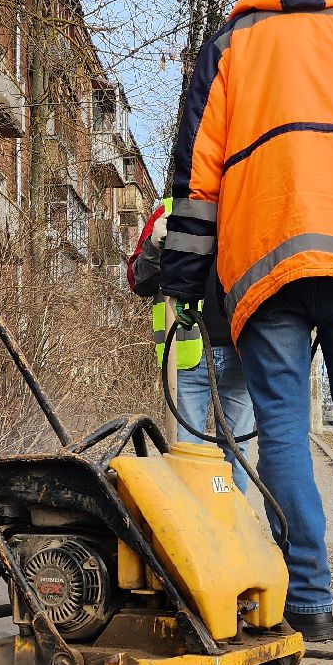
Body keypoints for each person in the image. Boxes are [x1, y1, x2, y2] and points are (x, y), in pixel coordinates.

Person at [159, 0, 333, 642]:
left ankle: (306, 600)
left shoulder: (234, 43)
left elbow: (198, 177)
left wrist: (185, 284)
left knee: (281, 428)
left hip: (268, 252)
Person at [127, 199, 256, 491]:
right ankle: (195, 517)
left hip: (241, 354)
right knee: (187, 454)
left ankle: (230, 518)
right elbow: (139, 281)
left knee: (237, 454)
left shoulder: (249, 203)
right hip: (186, 355)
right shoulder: (170, 211)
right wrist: (154, 246)